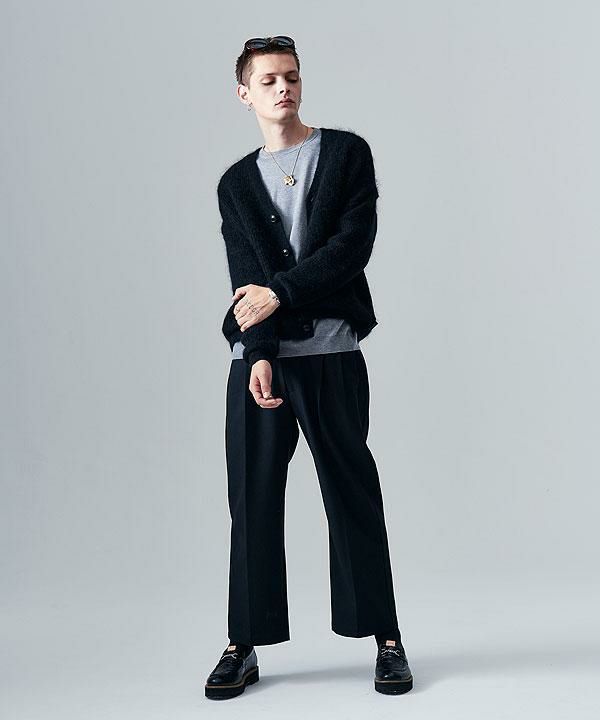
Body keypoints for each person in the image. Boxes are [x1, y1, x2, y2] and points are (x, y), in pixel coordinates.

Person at [205, 35, 413, 700]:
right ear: (245, 93)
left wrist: (282, 294)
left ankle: (385, 638)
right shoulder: (236, 183)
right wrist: (259, 352)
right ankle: (243, 642)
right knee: (252, 500)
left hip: (331, 354)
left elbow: (352, 248)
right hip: (258, 361)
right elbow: (246, 275)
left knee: (352, 491)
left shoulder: (346, 153)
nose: (283, 89)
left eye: (291, 77)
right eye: (268, 80)